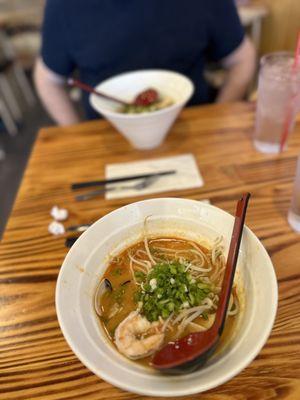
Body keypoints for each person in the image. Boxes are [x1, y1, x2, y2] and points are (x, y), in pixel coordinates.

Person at [34, 0, 256, 125]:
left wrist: (217, 118)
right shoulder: (64, 6)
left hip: (192, 128)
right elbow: (48, 79)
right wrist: (76, 134)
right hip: (106, 135)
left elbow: (242, 58)